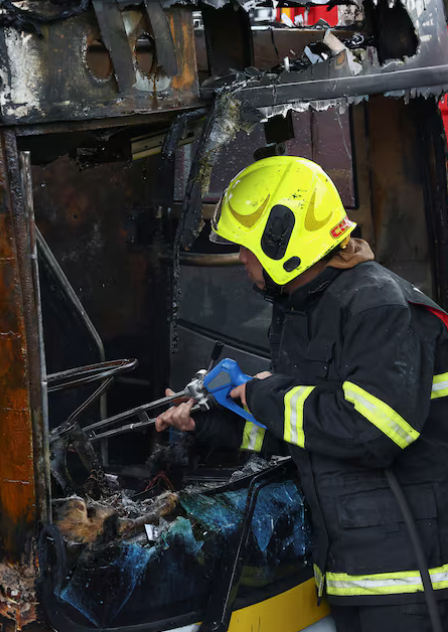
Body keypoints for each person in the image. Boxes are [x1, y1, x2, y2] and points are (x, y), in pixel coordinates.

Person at [156, 156, 448, 632]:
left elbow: (373, 433)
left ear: (282, 240)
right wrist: (211, 423)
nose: (242, 260)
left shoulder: (378, 307)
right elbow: (311, 435)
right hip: (350, 573)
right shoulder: (304, 309)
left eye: (247, 247)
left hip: (410, 581)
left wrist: (261, 393)